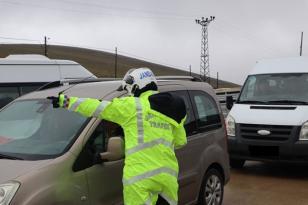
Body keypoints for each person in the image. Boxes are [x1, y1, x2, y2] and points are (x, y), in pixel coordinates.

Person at [48, 68, 187, 205]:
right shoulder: (173, 108)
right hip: (167, 177)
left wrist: (64, 101)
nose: (130, 93)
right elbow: (181, 141)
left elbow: (97, 107)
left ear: (136, 86)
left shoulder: (133, 106)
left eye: (129, 90)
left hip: (139, 179)